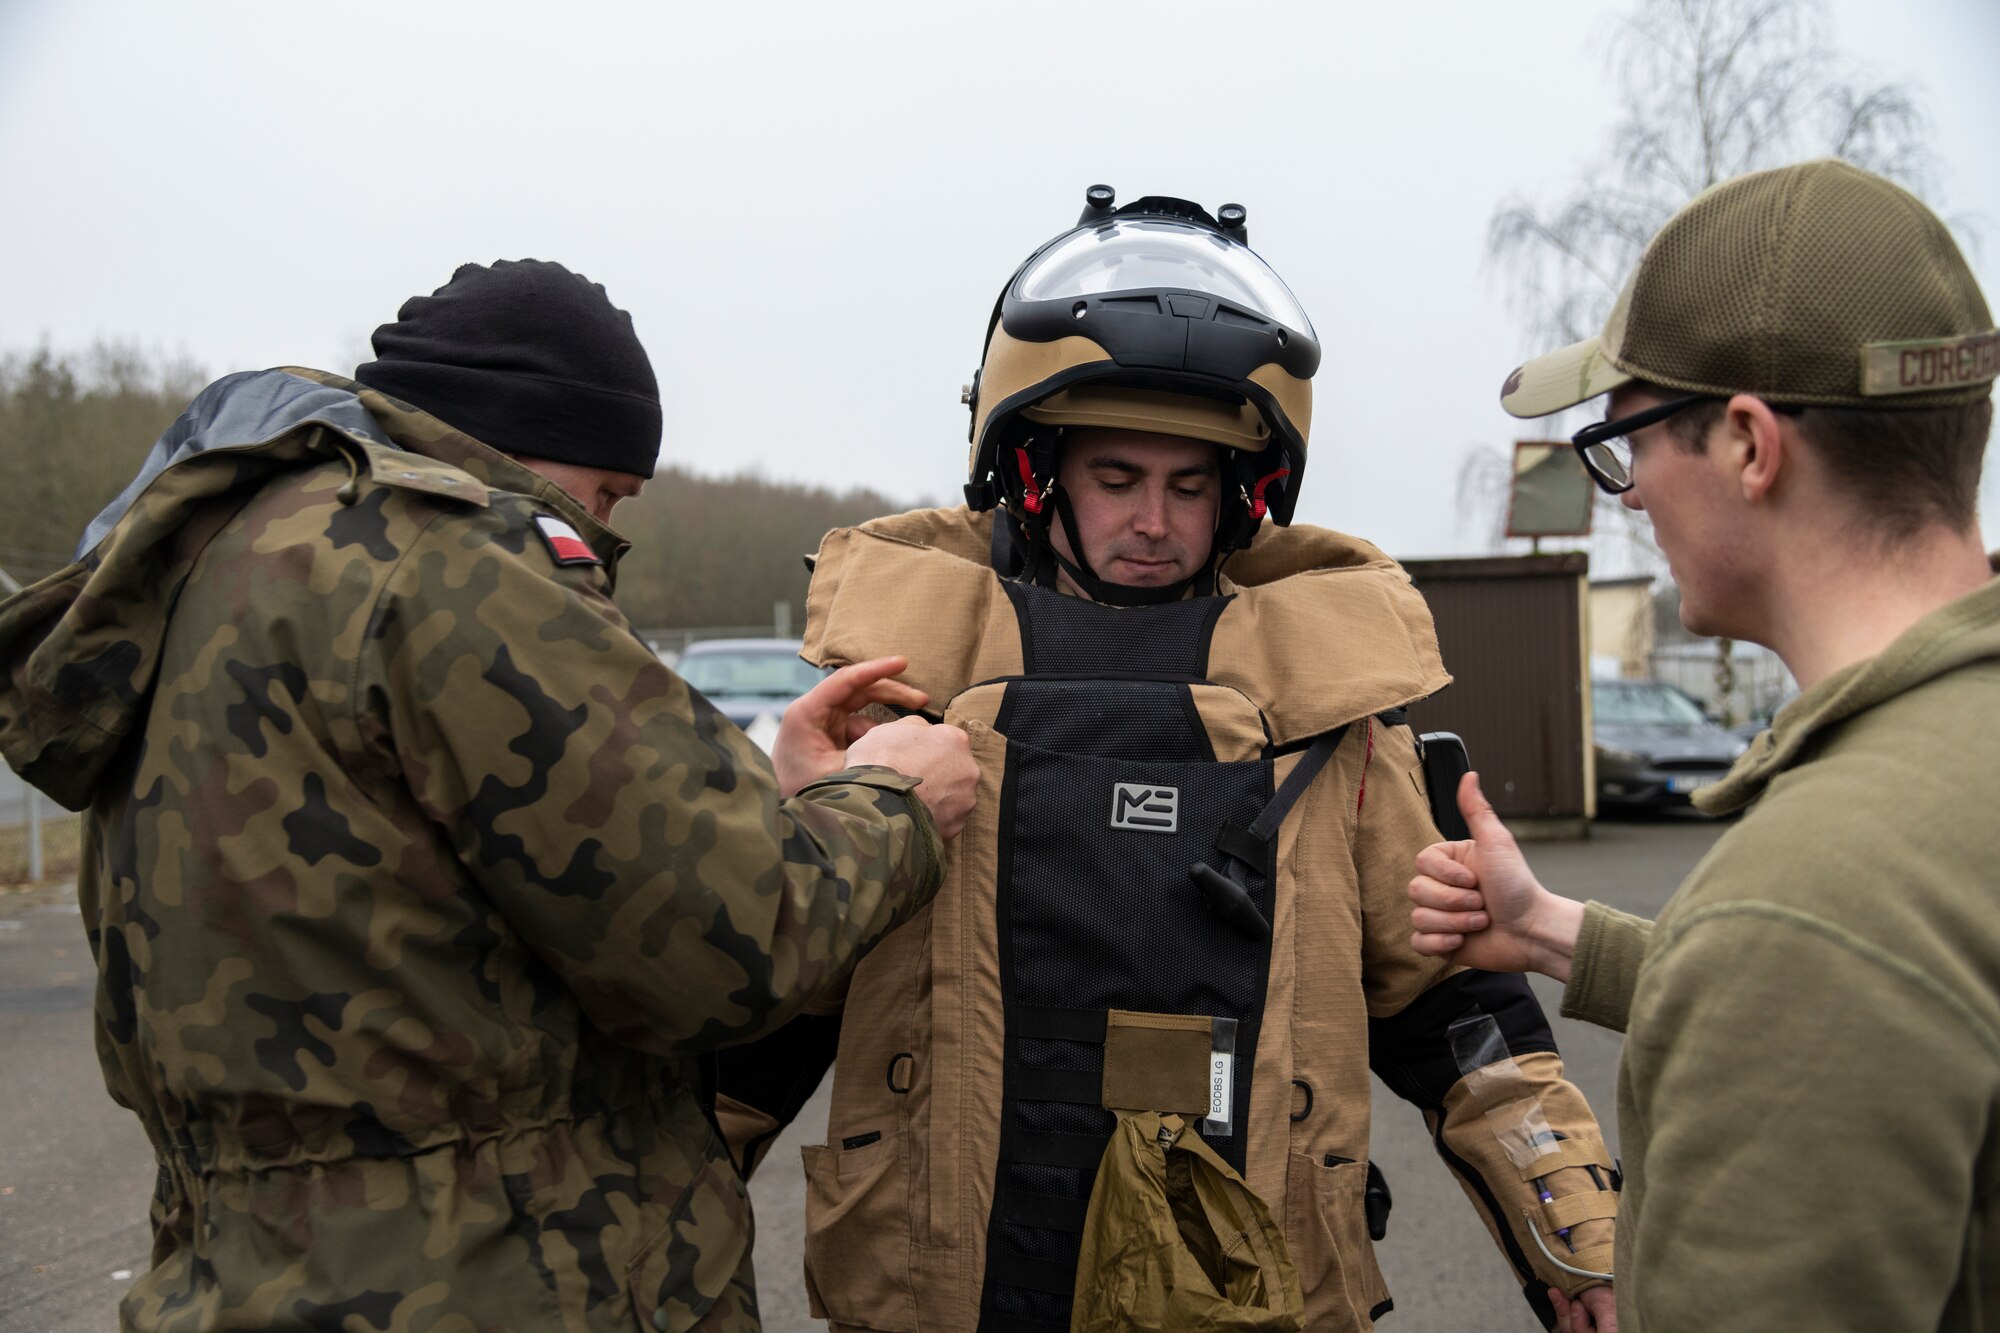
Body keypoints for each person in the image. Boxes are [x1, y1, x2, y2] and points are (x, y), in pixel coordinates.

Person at [0, 259, 977, 1332]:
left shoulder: (226, 563)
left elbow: (432, 889)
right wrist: (891, 800)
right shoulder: (452, 558)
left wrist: (785, 799)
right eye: (607, 496)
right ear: (521, 444)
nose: (604, 537)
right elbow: (728, 945)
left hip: (245, 1273)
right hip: (490, 1279)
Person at [747, 189, 1620, 1332]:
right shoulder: (907, 695)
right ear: (1039, 474)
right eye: (1116, 479)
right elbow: (773, 1006)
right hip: (949, 1279)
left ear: (1240, 495)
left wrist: (1567, 1242)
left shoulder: (1331, 706)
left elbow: (1452, 1002)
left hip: (1255, 1278)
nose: (1152, 521)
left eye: (1188, 484)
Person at [1407, 159, 1999, 1332]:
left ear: (1744, 444)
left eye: (1626, 441)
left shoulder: (1809, 896)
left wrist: (1750, 941)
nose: (1627, 498)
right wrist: (1548, 932)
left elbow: (1813, 953)